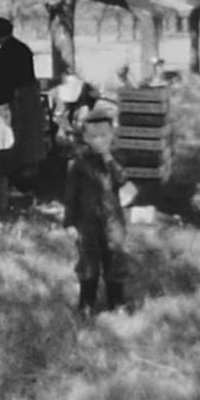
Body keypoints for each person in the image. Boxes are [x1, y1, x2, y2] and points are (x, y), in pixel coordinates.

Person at [62, 107, 136, 319]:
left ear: (112, 135)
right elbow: (71, 194)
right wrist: (69, 222)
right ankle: (86, 302)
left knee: (115, 256)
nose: (99, 140)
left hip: (113, 219)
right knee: (88, 260)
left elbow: (122, 180)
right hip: (87, 221)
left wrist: (108, 157)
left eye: (104, 135)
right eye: (93, 136)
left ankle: (117, 301)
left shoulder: (118, 158)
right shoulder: (79, 163)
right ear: (85, 137)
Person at [0, 18, 47, 198]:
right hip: (27, 96)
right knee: (28, 141)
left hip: (17, 99)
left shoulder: (2, 52)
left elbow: (0, 78)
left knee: (18, 142)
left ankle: (20, 184)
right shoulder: (21, 48)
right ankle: (26, 182)